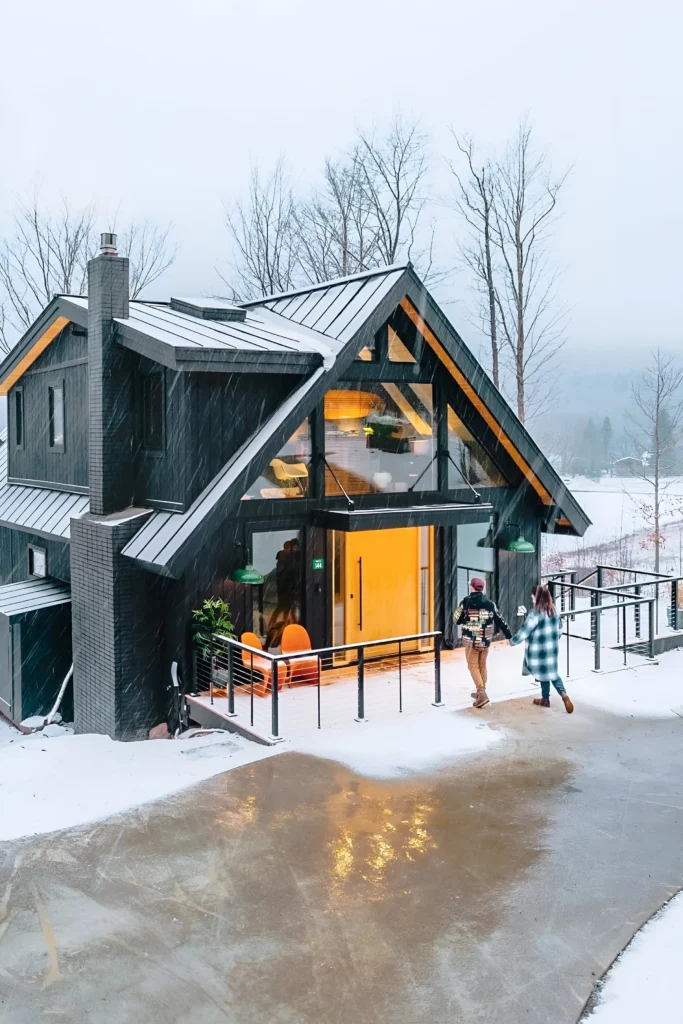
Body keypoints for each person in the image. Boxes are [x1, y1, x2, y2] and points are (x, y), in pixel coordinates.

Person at [510, 584, 574, 713]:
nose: (531, 597)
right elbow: (560, 630)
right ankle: (563, 695)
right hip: (551, 650)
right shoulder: (554, 610)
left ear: (537, 597)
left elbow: (524, 632)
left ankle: (545, 699)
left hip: (538, 652)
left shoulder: (535, 614)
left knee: (542, 673)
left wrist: (512, 641)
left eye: (533, 595)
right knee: (552, 674)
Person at [454, 577, 512, 708]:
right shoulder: (490, 603)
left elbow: (457, 619)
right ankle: (482, 692)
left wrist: (463, 613)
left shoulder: (466, 602)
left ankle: (481, 692)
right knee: (482, 665)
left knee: (472, 666)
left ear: (472, 587)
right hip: (485, 640)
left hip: (471, 640)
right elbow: (500, 620)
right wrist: (508, 634)